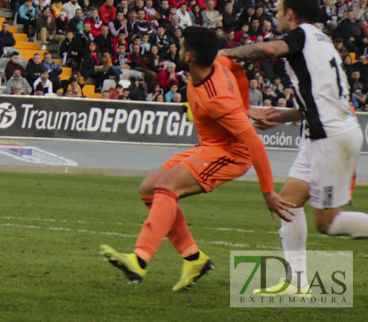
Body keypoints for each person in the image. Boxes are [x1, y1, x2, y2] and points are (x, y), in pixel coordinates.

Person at [99, 26, 292, 291]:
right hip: (209, 146)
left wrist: (268, 191)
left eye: (180, 46)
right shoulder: (220, 60)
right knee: (148, 191)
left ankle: (140, 259)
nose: (177, 49)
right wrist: (246, 107)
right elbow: (237, 68)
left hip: (231, 154)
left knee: (166, 188)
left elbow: (254, 143)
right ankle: (194, 259)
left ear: (189, 56)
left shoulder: (217, 99)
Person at [219, 0, 368, 294]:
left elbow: (270, 50)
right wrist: (278, 117)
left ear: (291, 14)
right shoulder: (321, 40)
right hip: (323, 134)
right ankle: (297, 281)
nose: (275, 14)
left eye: (279, 9)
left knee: (327, 224)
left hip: (330, 137)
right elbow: (316, 101)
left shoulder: (300, 35)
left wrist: (225, 54)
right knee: (287, 204)